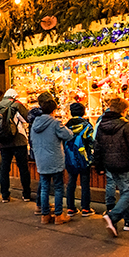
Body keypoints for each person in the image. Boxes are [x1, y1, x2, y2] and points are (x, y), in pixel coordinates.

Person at [95, 96, 129, 236]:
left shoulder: (101, 125)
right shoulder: (126, 126)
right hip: (126, 164)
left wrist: (99, 166)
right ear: (124, 111)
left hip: (110, 165)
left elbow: (98, 148)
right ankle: (113, 217)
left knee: (125, 192)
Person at [29, 92, 74, 224]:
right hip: (55, 159)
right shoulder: (55, 123)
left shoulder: (34, 124)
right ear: (53, 110)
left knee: (44, 187)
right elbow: (68, 135)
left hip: (41, 160)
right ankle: (59, 215)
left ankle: (45, 215)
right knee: (59, 187)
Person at [0, 88, 32, 203]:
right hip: (18, 140)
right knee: (23, 168)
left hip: (3, 142)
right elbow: (27, 119)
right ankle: (26, 194)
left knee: (4, 168)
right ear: (15, 96)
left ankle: (4, 195)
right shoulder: (16, 104)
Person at [63, 101, 95, 216]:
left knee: (71, 182)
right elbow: (92, 142)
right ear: (83, 112)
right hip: (84, 158)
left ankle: (70, 208)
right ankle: (85, 208)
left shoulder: (66, 126)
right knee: (85, 182)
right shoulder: (87, 126)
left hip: (70, 158)